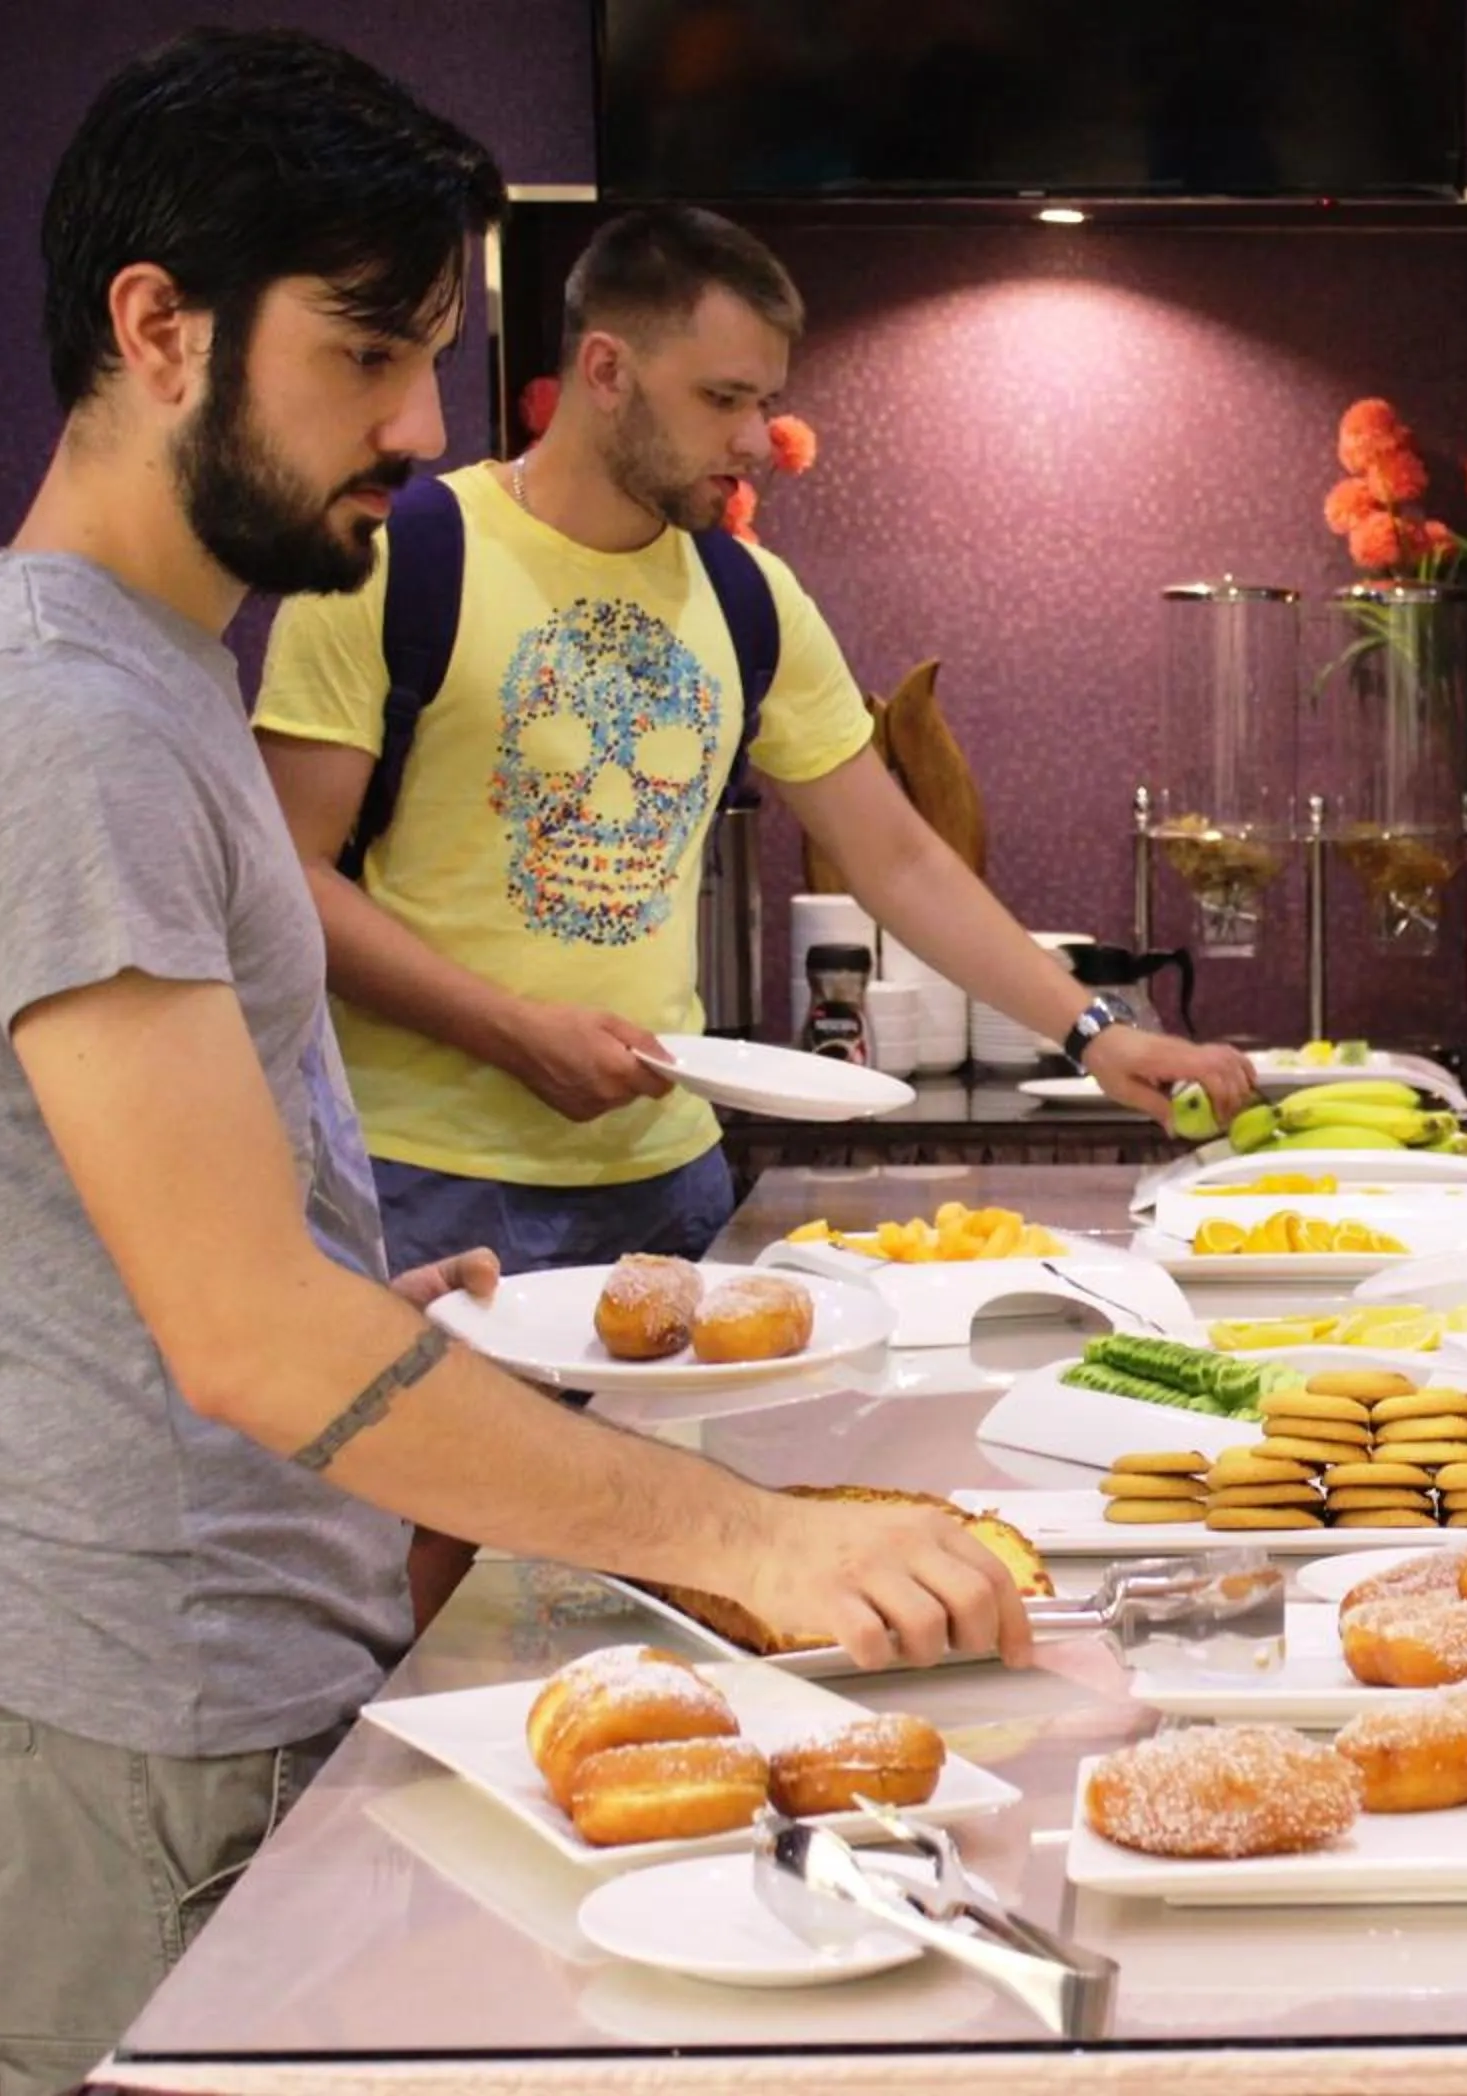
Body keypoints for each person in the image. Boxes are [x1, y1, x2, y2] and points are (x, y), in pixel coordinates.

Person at [0, 34, 1027, 2090]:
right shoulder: (69, 728)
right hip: (135, 1730)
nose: (418, 425)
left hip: (221, 1677)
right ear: (158, 329)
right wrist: (745, 1538)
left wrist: (343, 1284)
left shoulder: (145, 681)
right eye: (368, 353)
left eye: (435, 360)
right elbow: (241, 1343)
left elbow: (162, 1263)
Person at [253, 202, 1249, 1619]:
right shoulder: (401, 559)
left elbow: (895, 858)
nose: (753, 441)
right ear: (604, 370)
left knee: (661, 1601)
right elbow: (279, 875)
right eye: (721, 399)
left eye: (767, 404)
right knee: (424, 1615)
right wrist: (511, 1029)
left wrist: (1093, 1033)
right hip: (435, 1189)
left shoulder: (747, 597)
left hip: (670, 1194)